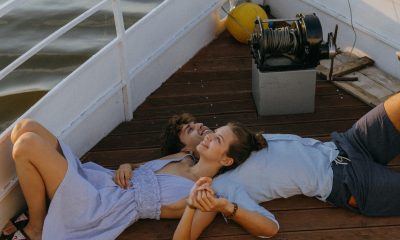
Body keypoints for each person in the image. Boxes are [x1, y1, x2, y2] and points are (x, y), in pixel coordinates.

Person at [171, 92, 400, 239]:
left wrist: (133, 167)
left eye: (215, 134)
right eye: (214, 139)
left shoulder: (236, 142)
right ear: (226, 160)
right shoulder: (224, 187)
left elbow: (158, 163)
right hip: (349, 182)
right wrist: (220, 207)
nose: (207, 135)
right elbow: (270, 228)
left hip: (345, 144)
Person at [2, 118, 265, 240]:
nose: (208, 135)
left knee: (26, 145)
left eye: (217, 139)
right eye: (214, 132)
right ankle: (47, 214)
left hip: (102, 207)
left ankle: (37, 228)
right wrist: (126, 165)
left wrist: (193, 206)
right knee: (26, 126)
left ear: (227, 160)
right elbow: (140, 167)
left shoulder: (205, 196)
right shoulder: (181, 157)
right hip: (102, 180)